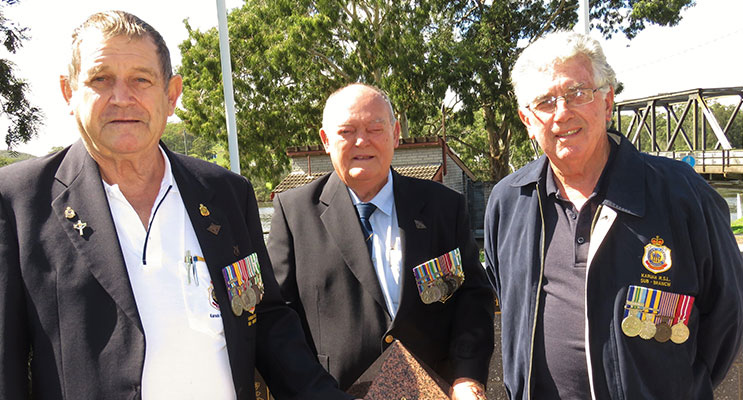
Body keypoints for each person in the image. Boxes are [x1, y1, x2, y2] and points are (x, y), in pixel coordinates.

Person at [0, 10, 352, 400]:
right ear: (69, 92)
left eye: (141, 79)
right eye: (101, 79)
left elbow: (265, 319)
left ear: (171, 95)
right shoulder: (18, 201)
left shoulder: (226, 193)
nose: (122, 98)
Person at [484, 30, 743, 399]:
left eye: (577, 93)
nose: (562, 113)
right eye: (544, 102)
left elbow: (728, 316)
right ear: (527, 120)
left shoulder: (683, 194)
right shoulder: (509, 201)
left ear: (607, 103)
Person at [267, 83, 494, 399]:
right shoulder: (294, 213)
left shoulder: (443, 207)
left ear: (395, 133)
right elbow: (277, 319)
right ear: (326, 140)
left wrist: (467, 377)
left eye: (375, 129)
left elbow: (472, 298)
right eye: (347, 131)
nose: (362, 141)